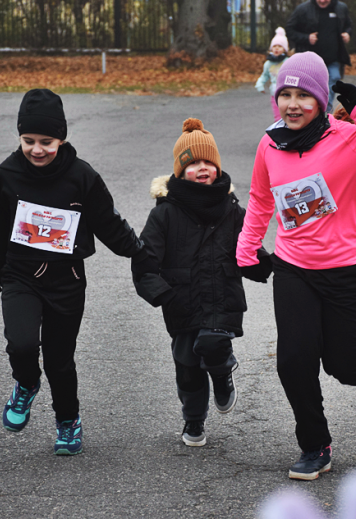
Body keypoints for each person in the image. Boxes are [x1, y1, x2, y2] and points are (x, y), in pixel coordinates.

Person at [236, 52, 356, 480]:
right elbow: (261, 198)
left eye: (303, 95)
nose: (292, 104)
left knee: (345, 367)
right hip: (294, 268)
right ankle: (315, 444)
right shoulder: (270, 142)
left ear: (321, 99)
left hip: (349, 270)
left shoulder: (349, 137)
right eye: (285, 94)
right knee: (293, 361)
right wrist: (246, 248)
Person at [0, 89, 155, 456]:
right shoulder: (6, 177)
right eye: (28, 141)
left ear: (61, 138)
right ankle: (26, 385)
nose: (37, 149)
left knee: (60, 360)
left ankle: (67, 421)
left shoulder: (82, 177)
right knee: (23, 343)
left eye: (46, 141)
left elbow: (108, 223)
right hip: (20, 275)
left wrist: (139, 251)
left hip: (66, 281)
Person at [133, 118, 270, 447]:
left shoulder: (233, 211)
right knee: (187, 366)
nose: (203, 168)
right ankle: (193, 420)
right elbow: (145, 258)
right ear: (180, 172)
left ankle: (222, 374)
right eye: (193, 163)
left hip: (223, 297)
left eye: (209, 162)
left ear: (218, 168)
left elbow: (248, 248)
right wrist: (160, 293)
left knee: (212, 344)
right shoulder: (164, 213)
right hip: (181, 301)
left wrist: (264, 263)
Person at [286, 0, 352, 113]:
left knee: (334, 78)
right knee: (311, 86)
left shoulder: (341, 8)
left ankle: (325, 111)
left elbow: (348, 25)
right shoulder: (303, 9)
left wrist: (347, 33)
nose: (322, 1)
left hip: (333, 58)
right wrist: (306, 38)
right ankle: (316, 112)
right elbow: (290, 30)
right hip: (311, 60)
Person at [256, 27, 291, 121]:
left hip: (287, 93)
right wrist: (260, 85)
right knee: (278, 117)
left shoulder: (288, 62)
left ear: (284, 49)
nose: (276, 48)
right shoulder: (268, 63)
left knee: (287, 115)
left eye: (280, 46)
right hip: (274, 93)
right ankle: (279, 131)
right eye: (274, 46)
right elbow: (265, 75)